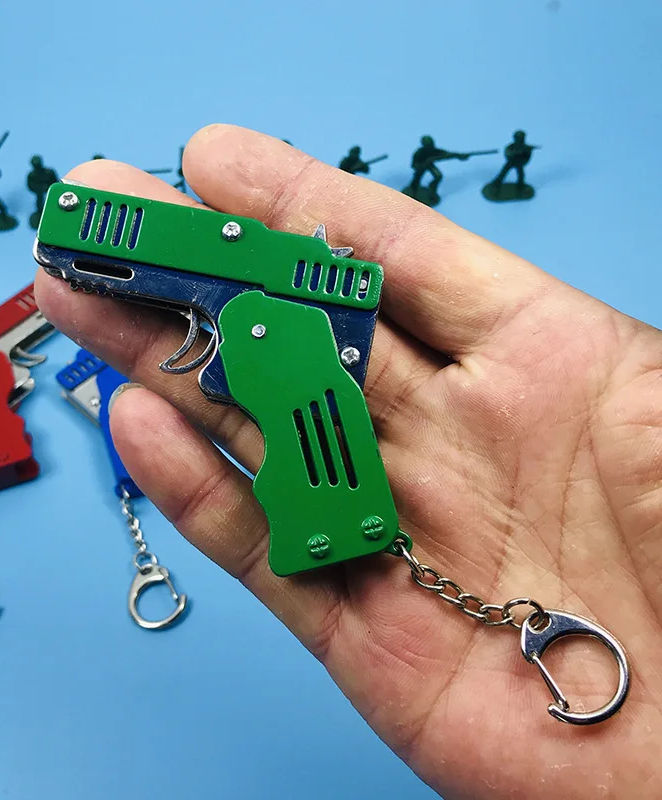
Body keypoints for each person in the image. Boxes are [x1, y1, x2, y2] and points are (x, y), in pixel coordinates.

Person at [35, 124, 662, 800]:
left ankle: (335, 521)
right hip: (285, 298)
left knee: (287, 401)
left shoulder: (287, 308)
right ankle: (335, 520)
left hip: (286, 305)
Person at [26, 155, 59, 229]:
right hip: (39, 192)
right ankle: (40, 214)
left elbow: (55, 182)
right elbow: (30, 185)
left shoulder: (49, 172)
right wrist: (39, 189)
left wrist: (49, 187)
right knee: (39, 202)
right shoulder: (31, 176)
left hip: (50, 191)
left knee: (52, 201)